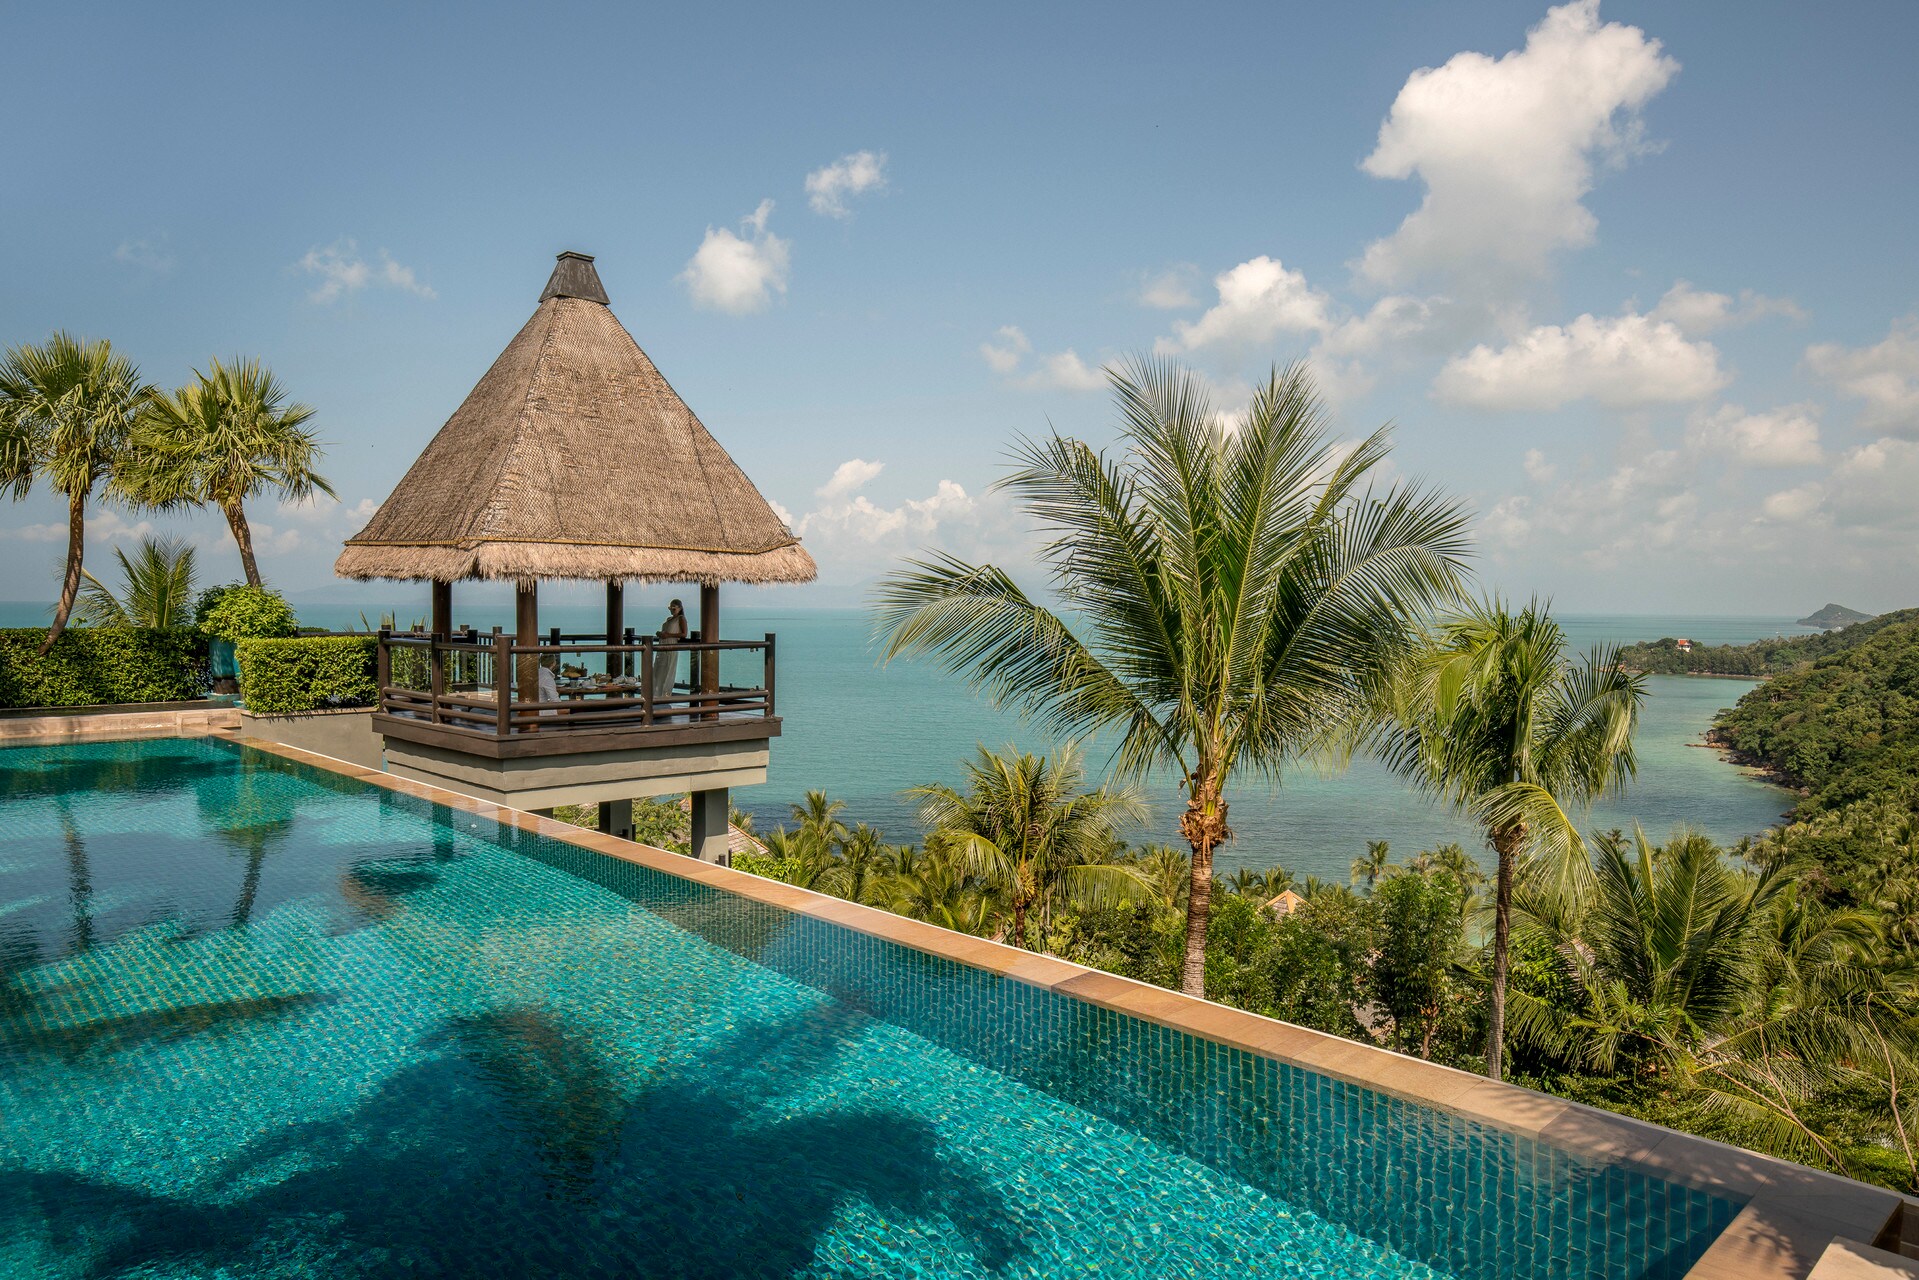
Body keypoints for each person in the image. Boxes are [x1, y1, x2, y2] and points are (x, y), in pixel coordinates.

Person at [652, 599, 687, 715]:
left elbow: (684, 634)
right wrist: (660, 634)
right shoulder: (669, 619)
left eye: (674, 608)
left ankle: (664, 698)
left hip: (671, 645)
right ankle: (656, 698)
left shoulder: (681, 619)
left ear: (680, 608)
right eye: (670, 608)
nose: (672, 610)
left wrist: (668, 635)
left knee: (667, 671)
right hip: (663, 645)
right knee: (658, 671)